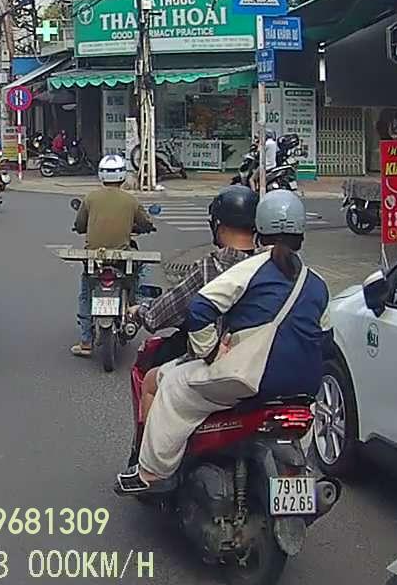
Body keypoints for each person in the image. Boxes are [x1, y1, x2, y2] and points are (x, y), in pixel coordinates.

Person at [117, 191, 330, 494]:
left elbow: (198, 309)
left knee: (172, 385)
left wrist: (211, 351)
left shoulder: (251, 267)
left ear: (260, 228)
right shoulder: (316, 281)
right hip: (303, 387)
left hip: (249, 379)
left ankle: (151, 473)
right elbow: (326, 338)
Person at [129, 185, 259, 399]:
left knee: (150, 383)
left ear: (218, 225)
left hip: (216, 368)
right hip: (259, 366)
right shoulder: (270, 266)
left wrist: (140, 311)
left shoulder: (209, 268)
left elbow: (160, 313)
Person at [72, 155, 153, 357]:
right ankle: (135, 307)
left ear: (101, 175)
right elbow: (145, 222)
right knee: (139, 273)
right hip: (121, 259)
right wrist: (147, 227)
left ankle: (86, 341)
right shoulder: (131, 200)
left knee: (86, 292)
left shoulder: (90, 198)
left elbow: (80, 224)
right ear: (122, 176)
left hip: (94, 259)